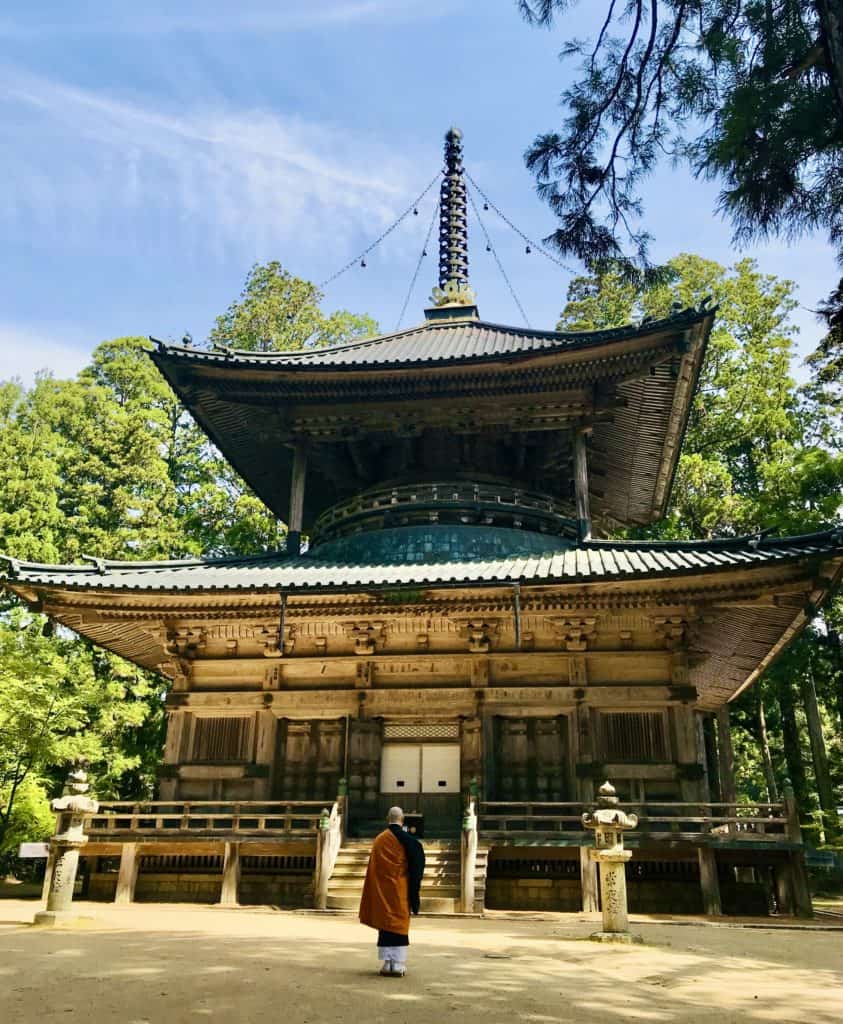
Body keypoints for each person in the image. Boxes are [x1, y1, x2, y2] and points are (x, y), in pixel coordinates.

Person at [359, 806, 425, 977]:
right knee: (398, 924)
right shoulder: (407, 839)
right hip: (399, 889)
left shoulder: (380, 839)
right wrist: (414, 885)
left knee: (385, 925)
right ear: (402, 819)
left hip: (382, 889)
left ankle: (387, 963)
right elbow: (417, 860)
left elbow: (373, 868)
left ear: (387, 819)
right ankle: (397, 964)